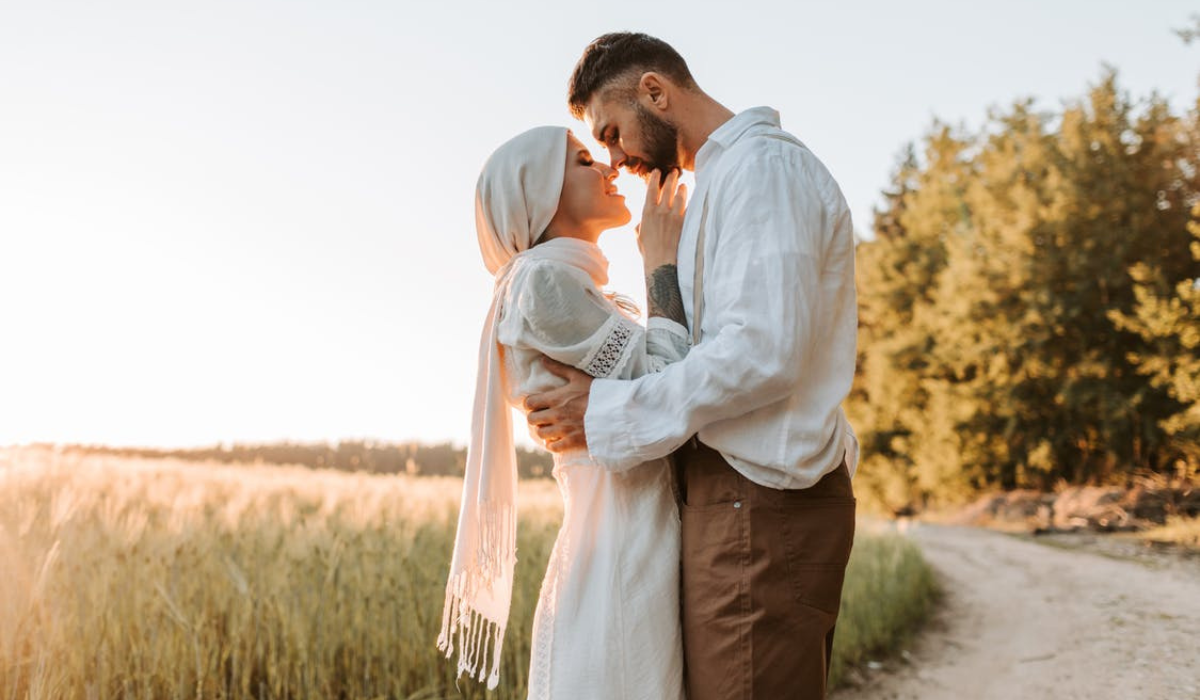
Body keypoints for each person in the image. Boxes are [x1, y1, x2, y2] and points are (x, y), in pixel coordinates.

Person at [524, 32, 861, 699]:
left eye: (612, 133)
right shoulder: (724, 184)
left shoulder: (763, 171)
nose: (613, 160)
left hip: (762, 504)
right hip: (739, 502)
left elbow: (762, 353)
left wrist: (603, 413)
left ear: (656, 91)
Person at [436, 125, 689, 700]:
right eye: (581, 160)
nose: (607, 167)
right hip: (623, 545)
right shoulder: (544, 282)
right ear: (538, 195)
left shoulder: (564, 283)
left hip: (621, 534)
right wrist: (661, 263)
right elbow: (667, 384)